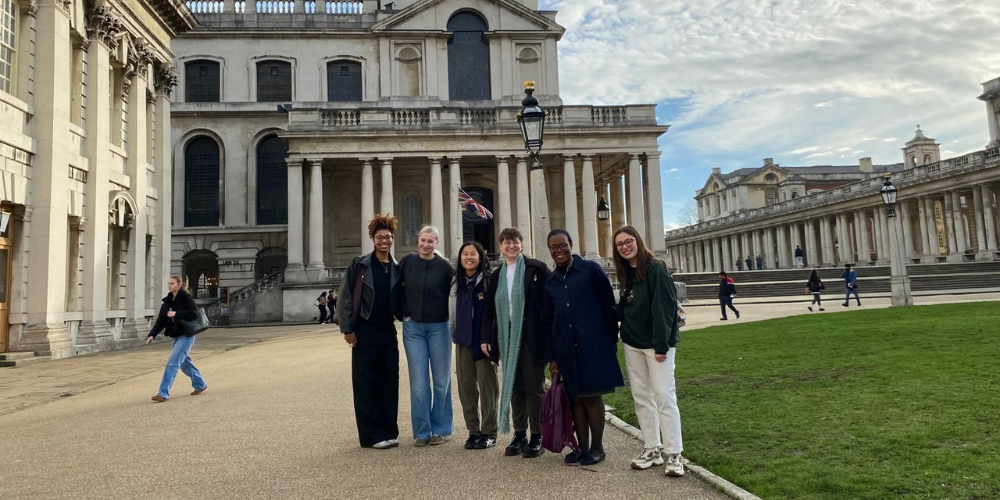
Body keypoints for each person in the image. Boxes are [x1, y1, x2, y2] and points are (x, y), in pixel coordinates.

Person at [544, 229, 624, 466]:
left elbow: (608, 305)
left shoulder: (591, 270)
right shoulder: (550, 281)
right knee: (575, 399)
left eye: (562, 246)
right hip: (565, 346)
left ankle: (598, 447)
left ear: (571, 244)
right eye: (554, 248)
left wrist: (611, 340)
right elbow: (550, 319)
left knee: (591, 397)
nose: (559, 251)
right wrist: (553, 355)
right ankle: (582, 447)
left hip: (593, 343)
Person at [613, 226, 685, 477]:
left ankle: (674, 453)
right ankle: (651, 448)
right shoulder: (627, 273)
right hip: (633, 342)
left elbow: (664, 308)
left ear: (638, 241)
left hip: (657, 345)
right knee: (642, 396)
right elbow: (626, 307)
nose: (624, 246)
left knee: (664, 395)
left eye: (628, 241)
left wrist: (661, 345)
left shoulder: (655, 268)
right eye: (620, 244)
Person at [481, 227, 551, 459]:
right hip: (506, 334)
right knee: (514, 386)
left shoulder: (536, 269)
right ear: (500, 246)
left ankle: (537, 436)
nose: (511, 246)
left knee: (534, 386)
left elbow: (548, 303)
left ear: (522, 244)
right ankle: (519, 433)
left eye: (515, 242)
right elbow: (489, 310)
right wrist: (485, 338)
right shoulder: (496, 274)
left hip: (531, 334)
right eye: (506, 242)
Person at [337, 214, 403, 450]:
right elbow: (345, 298)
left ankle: (388, 430)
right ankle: (371, 435)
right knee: (365, 382)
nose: (384, 241)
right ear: (372, 239)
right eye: (379, 237)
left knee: (389, 380)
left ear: (393, 238)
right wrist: (348, 329)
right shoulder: (360, 265)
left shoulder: (396, 267)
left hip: (387, 330)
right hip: (364, 330)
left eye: (388, 237)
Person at [397, 226, 454, 447]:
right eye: (423, 240)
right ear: (417, 240)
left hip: (439, 327)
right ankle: (422, 431)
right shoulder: (406, 263)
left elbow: (457, 294)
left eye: (430, 241)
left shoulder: (446, 268)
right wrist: (400, 313)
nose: (426, 244)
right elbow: (394, 288)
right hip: (413, 328)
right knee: (419, 383)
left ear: (437, 243)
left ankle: (439, 429)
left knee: (441, 381)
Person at [450, 241, 499, 450]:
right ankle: (473, 431)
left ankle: (489, 432)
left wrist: (491, 339)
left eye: (473, 254)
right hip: (463, 341)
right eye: (464, 254)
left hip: (484, 343)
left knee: (488, 389)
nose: (468, 257)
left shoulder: (488, 280)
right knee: (466, 389)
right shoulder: (456, 282)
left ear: (481, 257)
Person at [145, 276, 208, 402]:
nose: (169, 286)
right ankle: (200, 384)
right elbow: (160, 322)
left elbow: (194, 314)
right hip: (174, 336)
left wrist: (177, 313)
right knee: (184, 364)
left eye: (172, 283)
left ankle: (163, 393)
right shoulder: (167, 302)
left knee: (172, 363)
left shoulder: (186, 299)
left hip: (186, 335)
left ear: (179, 285)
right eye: (168, 283)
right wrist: (152, 334)